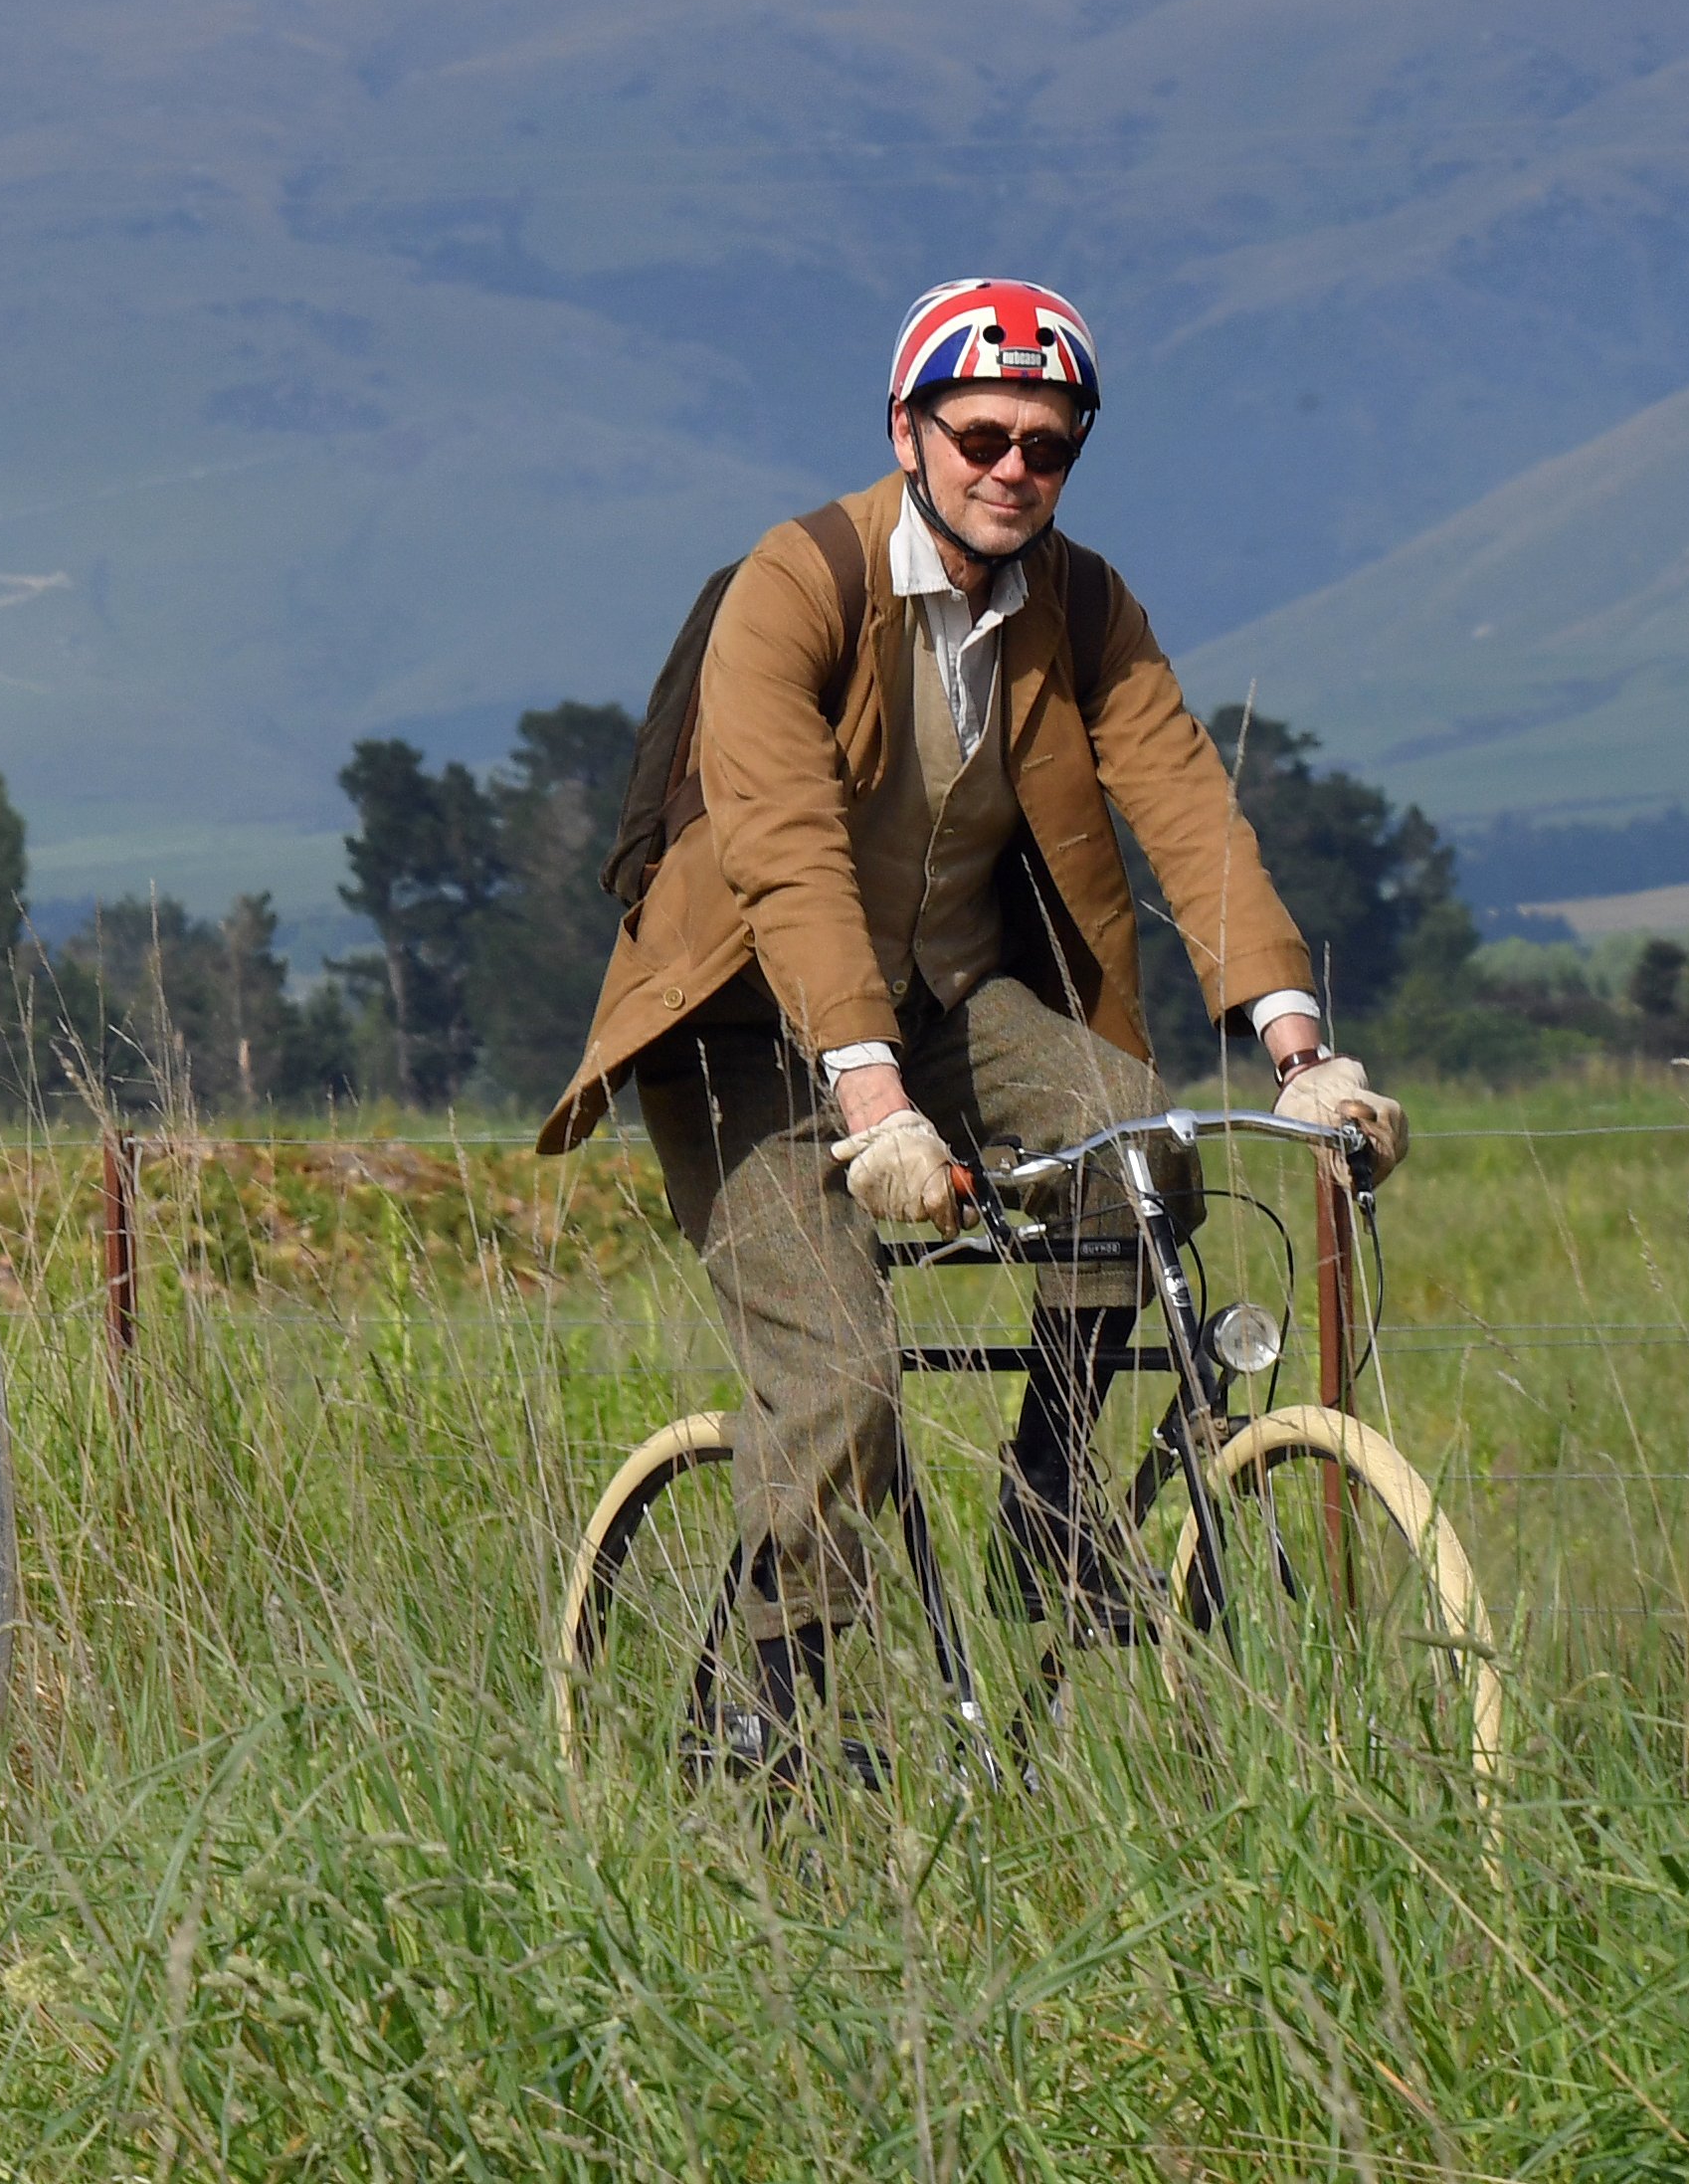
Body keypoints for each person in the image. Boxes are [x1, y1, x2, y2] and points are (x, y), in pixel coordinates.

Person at [534, 278, 1412, 1771]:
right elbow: (788, 851)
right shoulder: (796, 584)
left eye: (1049, 447)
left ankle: (1053, 1503)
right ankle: (761, 1701)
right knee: (841, 1381)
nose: (1014, 469)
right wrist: (872, 1105)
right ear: (908, 428)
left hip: (948, 1006)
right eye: (984, 435)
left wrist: (1300, 1047)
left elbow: (1186, 806)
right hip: (743, 1035)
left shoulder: (1080, 604)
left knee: (1145, 1153)